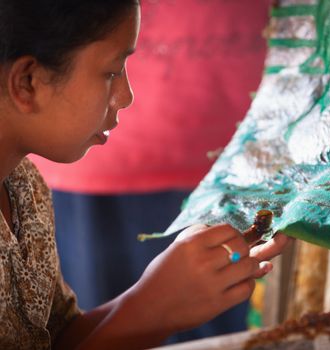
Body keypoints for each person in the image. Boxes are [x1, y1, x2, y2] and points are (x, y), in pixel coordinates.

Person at [0, 1, 289, 349]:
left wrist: (165, 292)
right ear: (28, 83)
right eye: (110, 72)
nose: (125, 97)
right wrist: (154, 308)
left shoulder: (24, 185)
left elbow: (58, 340)